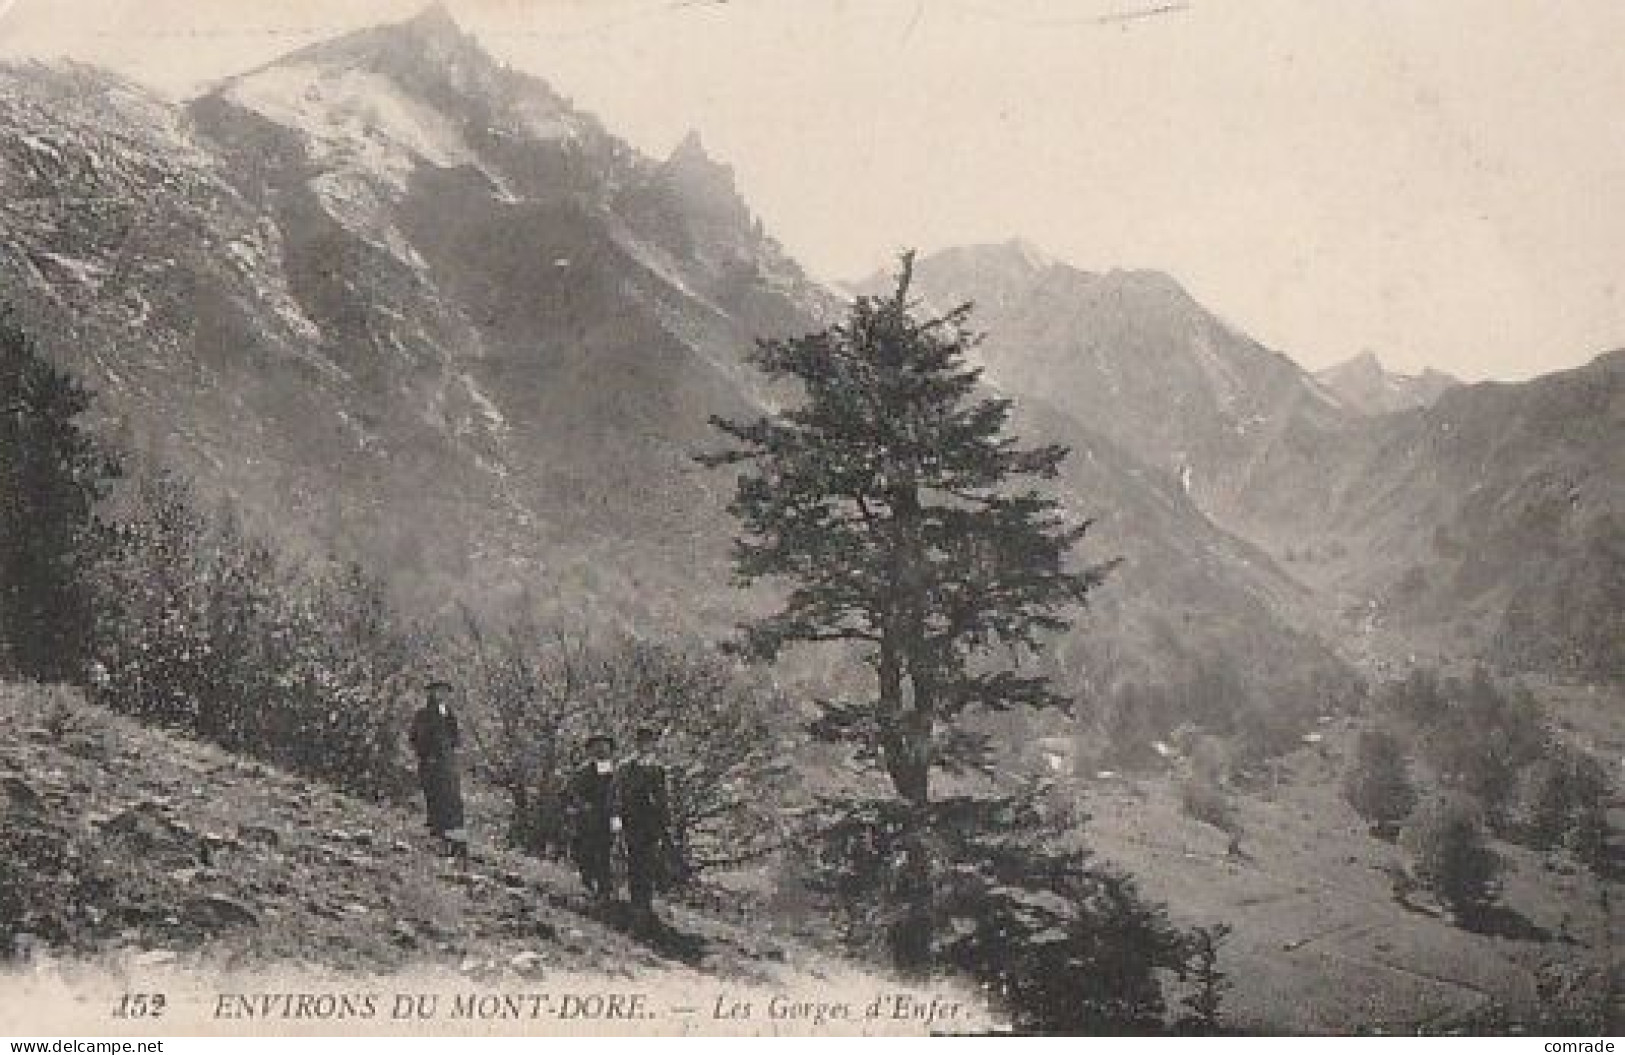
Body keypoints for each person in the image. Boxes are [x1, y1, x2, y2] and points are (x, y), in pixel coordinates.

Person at [617, 724, 676, 929]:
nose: (646, 745)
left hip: (651, 823)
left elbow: (662, 799)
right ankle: (636, 906)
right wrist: (617, 820)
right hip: (631, 820)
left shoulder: (657, 768)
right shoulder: (625, 767)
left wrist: (666, 823)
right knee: (634, 862)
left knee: (648, 863)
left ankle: (645, 906)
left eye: (649, 741)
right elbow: (618, 795)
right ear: (637, 742)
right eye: (642, 741)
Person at [408, 680, 468, 861]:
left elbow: (456, 740)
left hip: (448, 766)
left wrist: (453, 755)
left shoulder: (449, 715)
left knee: (453, 805)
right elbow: (415, 738)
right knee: (435, 802)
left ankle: (457, 844)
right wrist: (427, 755)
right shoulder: (423, 715)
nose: (442, 695)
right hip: (431, 765)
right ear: (431, 693)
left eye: (445, 692)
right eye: (438, 691)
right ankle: (439, 841)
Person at [566, 733, 620, 905]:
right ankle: (588, 884)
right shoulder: (583, 771)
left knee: (605, 854)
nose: (601, 750)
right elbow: (572, 793)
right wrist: (582, 806)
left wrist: (617, 817)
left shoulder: (615, 772)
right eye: (597, 746)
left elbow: (618, 796)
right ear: (590, 750)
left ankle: (605, 890)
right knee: (585, 853)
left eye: (605, 747)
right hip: (586, 820)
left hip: (606, 820)